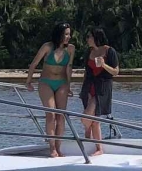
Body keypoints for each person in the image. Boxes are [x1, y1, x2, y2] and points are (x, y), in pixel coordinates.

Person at [26, 23, 76, 158]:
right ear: (59, 34)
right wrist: (28, 81)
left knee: (61, 116)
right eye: (66, 34)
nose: (69, 37)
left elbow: (69, 68)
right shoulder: (47, 46)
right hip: (46, 82)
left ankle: (59, 148)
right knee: (51, 114)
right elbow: (34, 64)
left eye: (69, 34)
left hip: (62, 83)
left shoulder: (71, 49)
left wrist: (69, 86)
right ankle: (52, 148)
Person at [79, 27, 119, 156]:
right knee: (94, 120)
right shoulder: (89, 52)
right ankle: (97, 147)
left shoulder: (109, 51)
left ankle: (93, 142)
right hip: (89, 86)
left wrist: (103, 65)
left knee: (86, 119)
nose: (87, 39)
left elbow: (116, 71)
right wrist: (84, 89)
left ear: (96, 37)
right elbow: (87, 72)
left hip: (102, 87)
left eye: (89, 37)